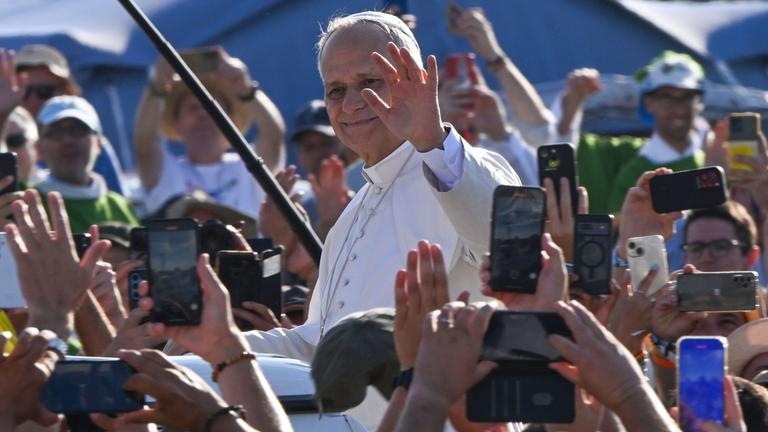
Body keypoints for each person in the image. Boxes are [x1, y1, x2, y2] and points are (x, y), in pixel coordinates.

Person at [244, 11, 518, 362]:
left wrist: (431, 140)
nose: (351, 104)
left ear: (415, 81)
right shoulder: (349, 220)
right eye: (336, 90)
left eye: (370, 82)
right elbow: (321, 346)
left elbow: (503, 244)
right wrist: (215, 346)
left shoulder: (460, 169)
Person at [134, 47, 286, 220]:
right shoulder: (166, 172)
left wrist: (244, 86)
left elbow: (273, 134)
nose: (203, 114)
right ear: (178, 125)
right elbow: (144, 145)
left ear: (232, 122)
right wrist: (157, 86)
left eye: (212, 107)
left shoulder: (251, 168)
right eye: (193, 108)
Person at [34, 95, 138, 232]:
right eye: (56, 133)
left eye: (78, 130)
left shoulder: (121, 206)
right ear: (39, 148)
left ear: (99, 143)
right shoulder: (26, 203)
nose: (68, 140)